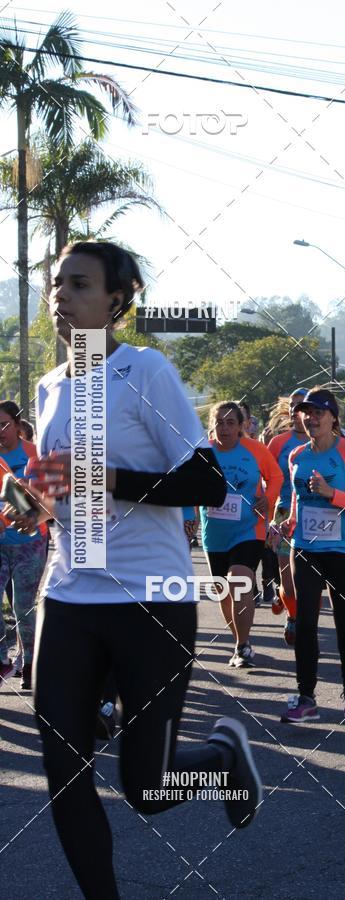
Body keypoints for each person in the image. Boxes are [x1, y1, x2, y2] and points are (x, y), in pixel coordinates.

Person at [13, 241, 261, 900]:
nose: (61, 295)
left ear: (117, 302)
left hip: (152, 595)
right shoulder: (50, 386)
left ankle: (221, 758)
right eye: (56, 284)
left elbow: (206, 482)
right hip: (68, 591)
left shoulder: (144, 372)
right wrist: (29, 502)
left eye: (80, 284)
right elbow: (60, 481)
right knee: (63, 768)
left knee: (148, 789)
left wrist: (105, 477)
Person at [279, 388, 345, 723]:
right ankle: (306, 697)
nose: (311, 418)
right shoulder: (296, 455)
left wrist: (332, 494)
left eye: (319, 412)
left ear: (333, 418)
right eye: (306, 412)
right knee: (305, 621)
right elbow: (297, 499)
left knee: (344, 621)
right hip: (305, 547)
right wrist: (288, 523)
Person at [200, 401, 282, 667]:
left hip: (249, 527)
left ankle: (241, 645)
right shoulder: (203, 452)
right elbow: (188, 485)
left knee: (240, 579)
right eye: (219, 423)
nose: (224, 428)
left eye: (230, 423)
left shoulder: (256, 450)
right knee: (223, 590)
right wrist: (188, 518)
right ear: (212, 426)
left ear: (241, 426)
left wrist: (268, 499)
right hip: (215, 531)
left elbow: (276, 477)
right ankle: (240, 638)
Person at [0, 400, 48, 690]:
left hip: (31, 542)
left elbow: (46, 497)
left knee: (22, 606)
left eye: (4, 425)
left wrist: (25, 506)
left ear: (18, 425)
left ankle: (30, 662)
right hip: (1, 541)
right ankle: (2, 658)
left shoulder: (34, 453)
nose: (0, 431)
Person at [267, 388, 309, 644]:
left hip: (317, 514)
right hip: (284, 512)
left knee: (309, 577)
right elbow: (267, 480)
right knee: (287, 574)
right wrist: (269, 518)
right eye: (293, 406)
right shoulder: (279, 443)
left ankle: (303, 615)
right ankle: (293, 616)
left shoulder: (332, 439)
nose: (297, 411)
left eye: (302, 405)